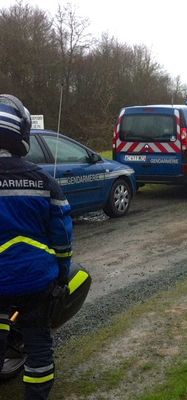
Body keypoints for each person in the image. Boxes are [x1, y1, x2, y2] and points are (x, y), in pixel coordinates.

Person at [0, 94, 73, 400]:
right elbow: (62, 239)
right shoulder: (43, 180)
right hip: (36, 281)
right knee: (39, 346)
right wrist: (61, 277)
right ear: (22, 133)